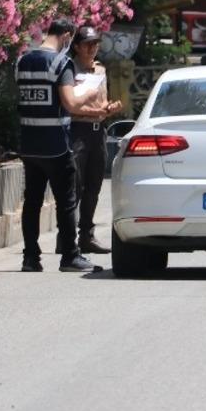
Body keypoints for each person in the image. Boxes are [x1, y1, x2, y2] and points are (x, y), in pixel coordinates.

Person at [15, 19, 110, 273]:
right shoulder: (60, 62)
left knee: (32, 201)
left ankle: (30, 258)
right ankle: (70, 256)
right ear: (67, 36)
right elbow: (70, 103)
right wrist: (87, 95)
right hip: (56, 144)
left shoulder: (22, 60)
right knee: (66, 201)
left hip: (29, 142)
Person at [67, 26, 122, 254]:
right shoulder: (69, 70)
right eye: (88, 44)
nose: (93, 48)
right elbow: (70, 106)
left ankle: (86, 235)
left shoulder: (100, 70)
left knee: (94, 186)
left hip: (98, 131)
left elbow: (101, 102)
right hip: (77, 130)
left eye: (96, 44)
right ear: (77, 47)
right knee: (75, 186)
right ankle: (67, 236)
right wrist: (95, 112)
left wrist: (108, 108)